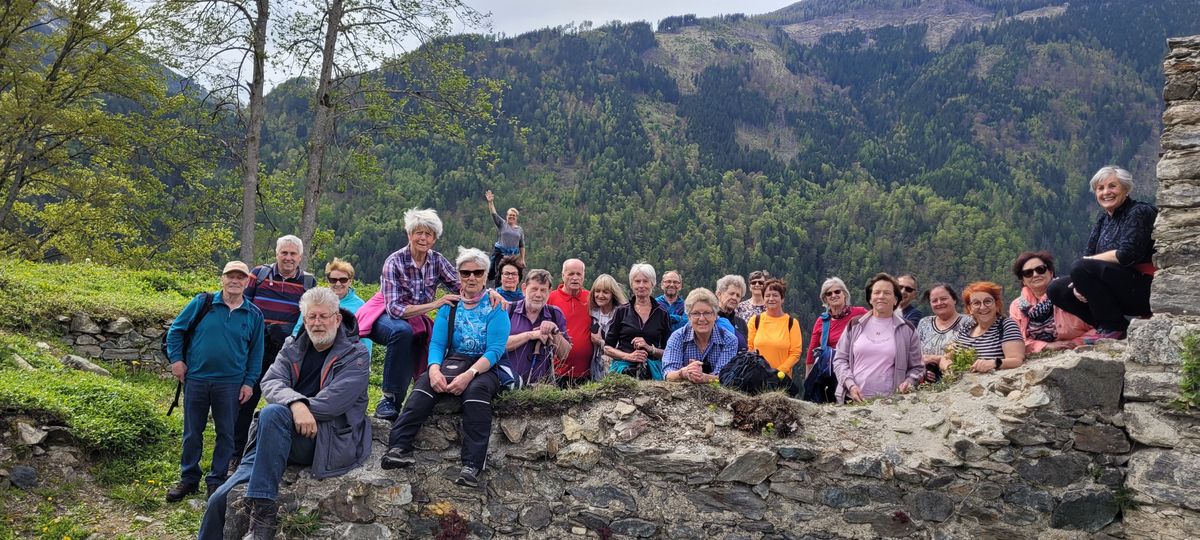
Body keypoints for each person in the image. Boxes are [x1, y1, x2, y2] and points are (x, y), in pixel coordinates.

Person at [199, 288, 370, 540]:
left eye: (323, 316)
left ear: (337, 318)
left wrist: (292, 407)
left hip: (323, 438)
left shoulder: (356, 355)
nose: (317, 323)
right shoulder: (293, 347)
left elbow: (334, 402)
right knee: (218, 499)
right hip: (275, 435)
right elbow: (270, 381)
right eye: (311, 317)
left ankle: (262, 518)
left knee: (273, 413)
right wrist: (296, 405)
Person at [381, 247, 510, 488]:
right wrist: (433, 369)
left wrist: (470, 374)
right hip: (454, 361)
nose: (471, 278)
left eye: (478, 272)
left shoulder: (496, 307)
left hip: (484, 366)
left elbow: (495, 350)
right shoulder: (450, 306)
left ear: (486, 275)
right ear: (458, 275)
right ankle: (398, 447)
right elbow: (438, 343)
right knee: (421, 389)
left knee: (476, 395)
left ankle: (472, 464)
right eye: (465, 272)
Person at [165, 261, 264, 503]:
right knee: (192, 432)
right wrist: (176, 360)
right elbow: (176, 331)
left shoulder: (254, 315)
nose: (235, 281)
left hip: (231, 383)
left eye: (240, 277)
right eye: (230, 276)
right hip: (197, 378)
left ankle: (216, 480)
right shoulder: (202, 303)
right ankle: (189, 479)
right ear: (222, 278)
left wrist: (249, 382)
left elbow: (256, 353)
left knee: (227, 434)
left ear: (247, 282)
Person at [371, 209, 462, 421]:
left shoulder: (436, 261)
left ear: (434, 239)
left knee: (436, 337)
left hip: (417, 318)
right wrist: (436, 304)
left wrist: (489, 294)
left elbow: (462, 285)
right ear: (409, 234)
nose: (423, 238)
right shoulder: (394, 262)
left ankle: (424, 397)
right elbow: (395, 309)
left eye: (428, 234)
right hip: (386, 318)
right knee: (403, 332)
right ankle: (389, 399)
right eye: (418, 232)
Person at [1048, 166, 1157, 340]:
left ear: (1126, 189)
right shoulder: (1103, 218)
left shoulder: (1139, 212)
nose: (1106, 192)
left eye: (1112, 186)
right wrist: (1079, 283)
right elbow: (1088, 254)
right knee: (1056, 289)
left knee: (1081, 267)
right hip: (1115, 288)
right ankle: (1111, 326)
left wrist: (1085, 266)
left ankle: (1112, 326)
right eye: (1100, 188)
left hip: (1145, 288)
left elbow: (1126, 254)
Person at [235, 235, 317, 467]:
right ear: (277, 254)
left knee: (285, 401)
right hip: (256, 349)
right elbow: (244, 307)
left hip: (288, 353)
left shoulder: (308, 283)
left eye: (293, 254)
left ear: (300, 257)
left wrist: (288, 331)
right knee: (245, 400)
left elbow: (310, 316)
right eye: (284, 253)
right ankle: (236, 453)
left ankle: (283, 451)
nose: (288, 258)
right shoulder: (259, 275)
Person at [831, 273, 923, 403]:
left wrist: (909, 382)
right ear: (870, 298)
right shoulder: (855, 324)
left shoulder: (907, 329)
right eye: (876, 292)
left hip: (891, 404)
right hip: (852, 401)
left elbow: (917, 367)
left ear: (896, 299)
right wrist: (850, 385)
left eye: (887, 293)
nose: (881, 296)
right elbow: (840, 360)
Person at [1010, 251, 1093, 353]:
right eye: (1028, 273)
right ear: (1023, 280)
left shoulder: (1070, 291)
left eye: (1040, 269)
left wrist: (1077, 342)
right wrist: (1047, 346)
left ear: (1051, 272)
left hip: (1080, 348)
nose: (1035, 275)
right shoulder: (1017, 306)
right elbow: (1017, 340)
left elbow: (1099, 325)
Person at [501, 269, 571, 386]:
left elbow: (564, 355)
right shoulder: (508, 311)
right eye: (534, 289)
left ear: (550, 292)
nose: (538, 294)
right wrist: (530, 335)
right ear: (524, 289)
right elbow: (497, 346)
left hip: (541, 388)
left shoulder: (555, 314)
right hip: (507, 384)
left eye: (543, 290)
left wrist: (555, 331)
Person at [605, 263, 672, 380]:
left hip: (653, 370)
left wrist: (650, 349)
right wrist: (629, 356)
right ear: (632, 284)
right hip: (623, 369)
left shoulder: (662, 314)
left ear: (653, 284)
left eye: (645, 281)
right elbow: (607, 348)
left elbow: (670, 352)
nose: (641, 285)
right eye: (637, 281)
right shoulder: (622, 311)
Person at [292, 258, 373, 354]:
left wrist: (364, 361)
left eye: (343, 280)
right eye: (333, 280)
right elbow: (298, 329)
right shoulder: (316, 299)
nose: (338, 284)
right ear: (328, 280)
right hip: (315, 352)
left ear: (350, 281)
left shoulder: (360, 306)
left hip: (347, 357)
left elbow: (365, 338)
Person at [663, 288, 739, 384]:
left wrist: (703, 378)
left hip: (716, 395)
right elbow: (668, 375)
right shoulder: (677, 337)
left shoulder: (729, 340)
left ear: (715, 315)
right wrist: (684, 373)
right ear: (689, 317)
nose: (702, 319)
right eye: (696, 313)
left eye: (707, 313)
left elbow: (724, 378)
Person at [953, 281, 1025, 373]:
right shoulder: (966, 327)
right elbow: (949, 355)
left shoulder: (1006, 325)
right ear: (970, 308)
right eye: (976, 303)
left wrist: (994, 363)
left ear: (997, 304)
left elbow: (1016, 360)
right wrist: (946, 363)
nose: (982, 307)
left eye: (988, 301)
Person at [805, 277, 868, 377]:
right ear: (825, 299)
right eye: (829, 293)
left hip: (856, 371)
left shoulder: (860, 313)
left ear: (844, 294)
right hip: (831, 375)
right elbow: (811, 354)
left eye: (837, 291)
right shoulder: (822, 321)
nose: (833, 295)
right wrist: (809, 382)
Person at [745, 278, 804, 378]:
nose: (771, 298)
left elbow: (795, 353)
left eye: (775, 295)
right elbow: (749, 348)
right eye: (767, 295)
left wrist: (778, 372)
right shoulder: (755, 321)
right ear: (763, 299)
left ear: (782, 299)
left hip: (781, 379)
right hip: (756, 378)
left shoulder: (792, 323)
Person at [548, 259, 593, 385]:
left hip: (588, 372)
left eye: (579, 274)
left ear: (583, 276)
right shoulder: (551, 298)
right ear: (563, 275)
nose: (575, 278)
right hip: (556, 372)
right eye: (571, 274)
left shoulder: (590, 298)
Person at [915, 283, 971, 380]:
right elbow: (914, 354)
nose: (939, 303)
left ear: (954, 299)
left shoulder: (968, 322)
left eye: (943, 299)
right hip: (925, 383)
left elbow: (968, 354)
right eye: (934, 301)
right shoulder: (924, 323)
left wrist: (936, 359)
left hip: (958, 380)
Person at [588, 273, 627, 379]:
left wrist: (600, 342)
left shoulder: (622, 315)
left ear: (613, 294)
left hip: (615, 367)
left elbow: (623, 346)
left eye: (605, 292)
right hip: (594, 368)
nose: (600, 295)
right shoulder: (591, 313)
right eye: (597, 291)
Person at [484, 190, 525, 286]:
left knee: (514, 274)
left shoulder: (519, 230)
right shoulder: (502, 224)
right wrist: (490, 202)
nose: (511, 216)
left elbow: (522, 245)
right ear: (506, 216)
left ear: (516, 217)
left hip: (513, 256)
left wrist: (522, 259)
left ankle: (511, 291)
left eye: (513, 215)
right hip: (501, 254)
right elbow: (493, 214)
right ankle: (499, 292)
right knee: (500, 274)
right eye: (510, 215)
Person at [714, 274, 749, 351]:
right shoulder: (709, 319)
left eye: (738, 295)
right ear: (719, 294)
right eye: (731, 293)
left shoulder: (741, 323)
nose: (734, 298)